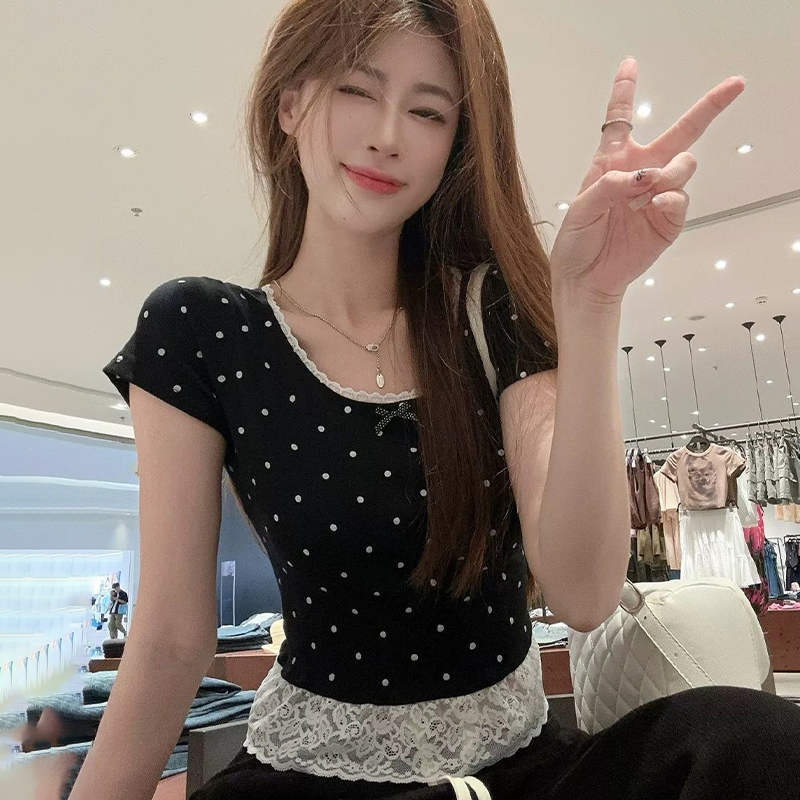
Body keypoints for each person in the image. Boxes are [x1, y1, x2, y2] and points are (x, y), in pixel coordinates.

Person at [66, 1, 799, 799]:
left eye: (427, 111)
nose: (387, 134)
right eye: (357, 90)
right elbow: (171, 643)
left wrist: (590, 303)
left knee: (749, 741)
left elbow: (585, 594)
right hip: (312, 777)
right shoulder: (202, 329)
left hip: (517, 771)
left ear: (455, 144)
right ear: (289, 103)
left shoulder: (490, 310)